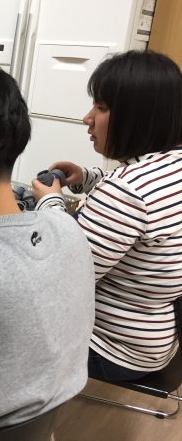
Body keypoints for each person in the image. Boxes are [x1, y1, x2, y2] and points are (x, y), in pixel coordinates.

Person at [32, 50, 182, 382]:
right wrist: (86, 177)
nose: (87, 118)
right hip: (155, 339)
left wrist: (50, 202)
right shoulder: (168, 169)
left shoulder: (127, 191)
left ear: (137, 116)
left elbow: (63, 273)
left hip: (109, 349)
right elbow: (141, 196)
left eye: (100, 108)